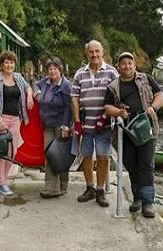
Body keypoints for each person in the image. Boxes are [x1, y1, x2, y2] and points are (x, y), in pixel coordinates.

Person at [104, 51, 163, 218]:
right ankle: (137, 198)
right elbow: (107, 107)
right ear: (118, 67)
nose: (127, 66)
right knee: (131, 165)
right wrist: (119, 112)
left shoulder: (146, 79)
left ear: (134, 65)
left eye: (130, 63)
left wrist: (153, 108)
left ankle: (148, 203)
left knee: (146, 165)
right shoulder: (113, 86)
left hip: (146, 128)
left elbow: (159, 95)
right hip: (125, 132)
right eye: (123, 63)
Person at [70, 40, 118, 207]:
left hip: (104, 124)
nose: (94, 54)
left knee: (104, 157)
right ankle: (89, 188)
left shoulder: (112, 72)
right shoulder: (79, 74)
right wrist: (76, 121)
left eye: (97, 51)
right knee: (86, 155)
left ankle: (100, 190)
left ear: (102, 52)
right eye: (91, 52)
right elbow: (74, 99)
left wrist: (106, 115)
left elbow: (117, 96)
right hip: (85, 124)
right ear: (87, 53)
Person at [0, 51, 34, 196]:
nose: (9, 65)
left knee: (12, 152)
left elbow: (28, 87)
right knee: (1, 152)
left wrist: (29, 96)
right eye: (6, 62)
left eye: (11, 62)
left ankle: (1, 178)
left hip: (16, 119)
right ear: (2, 65)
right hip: (2, 119)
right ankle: (2, 182)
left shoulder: (18, 77)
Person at [34, 57, 72, 198]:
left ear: (60, 70)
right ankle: (52, 187)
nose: (52, 71)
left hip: (61, 125)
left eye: (55, 68)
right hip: (47, 125)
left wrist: (66, 126)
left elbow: (69, 107)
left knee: (61, 155)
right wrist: (37, 92)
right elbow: (36, 85)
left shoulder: (66, 86)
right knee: (49, 155)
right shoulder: (45, 82)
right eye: (50, 69)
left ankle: (63, 185)